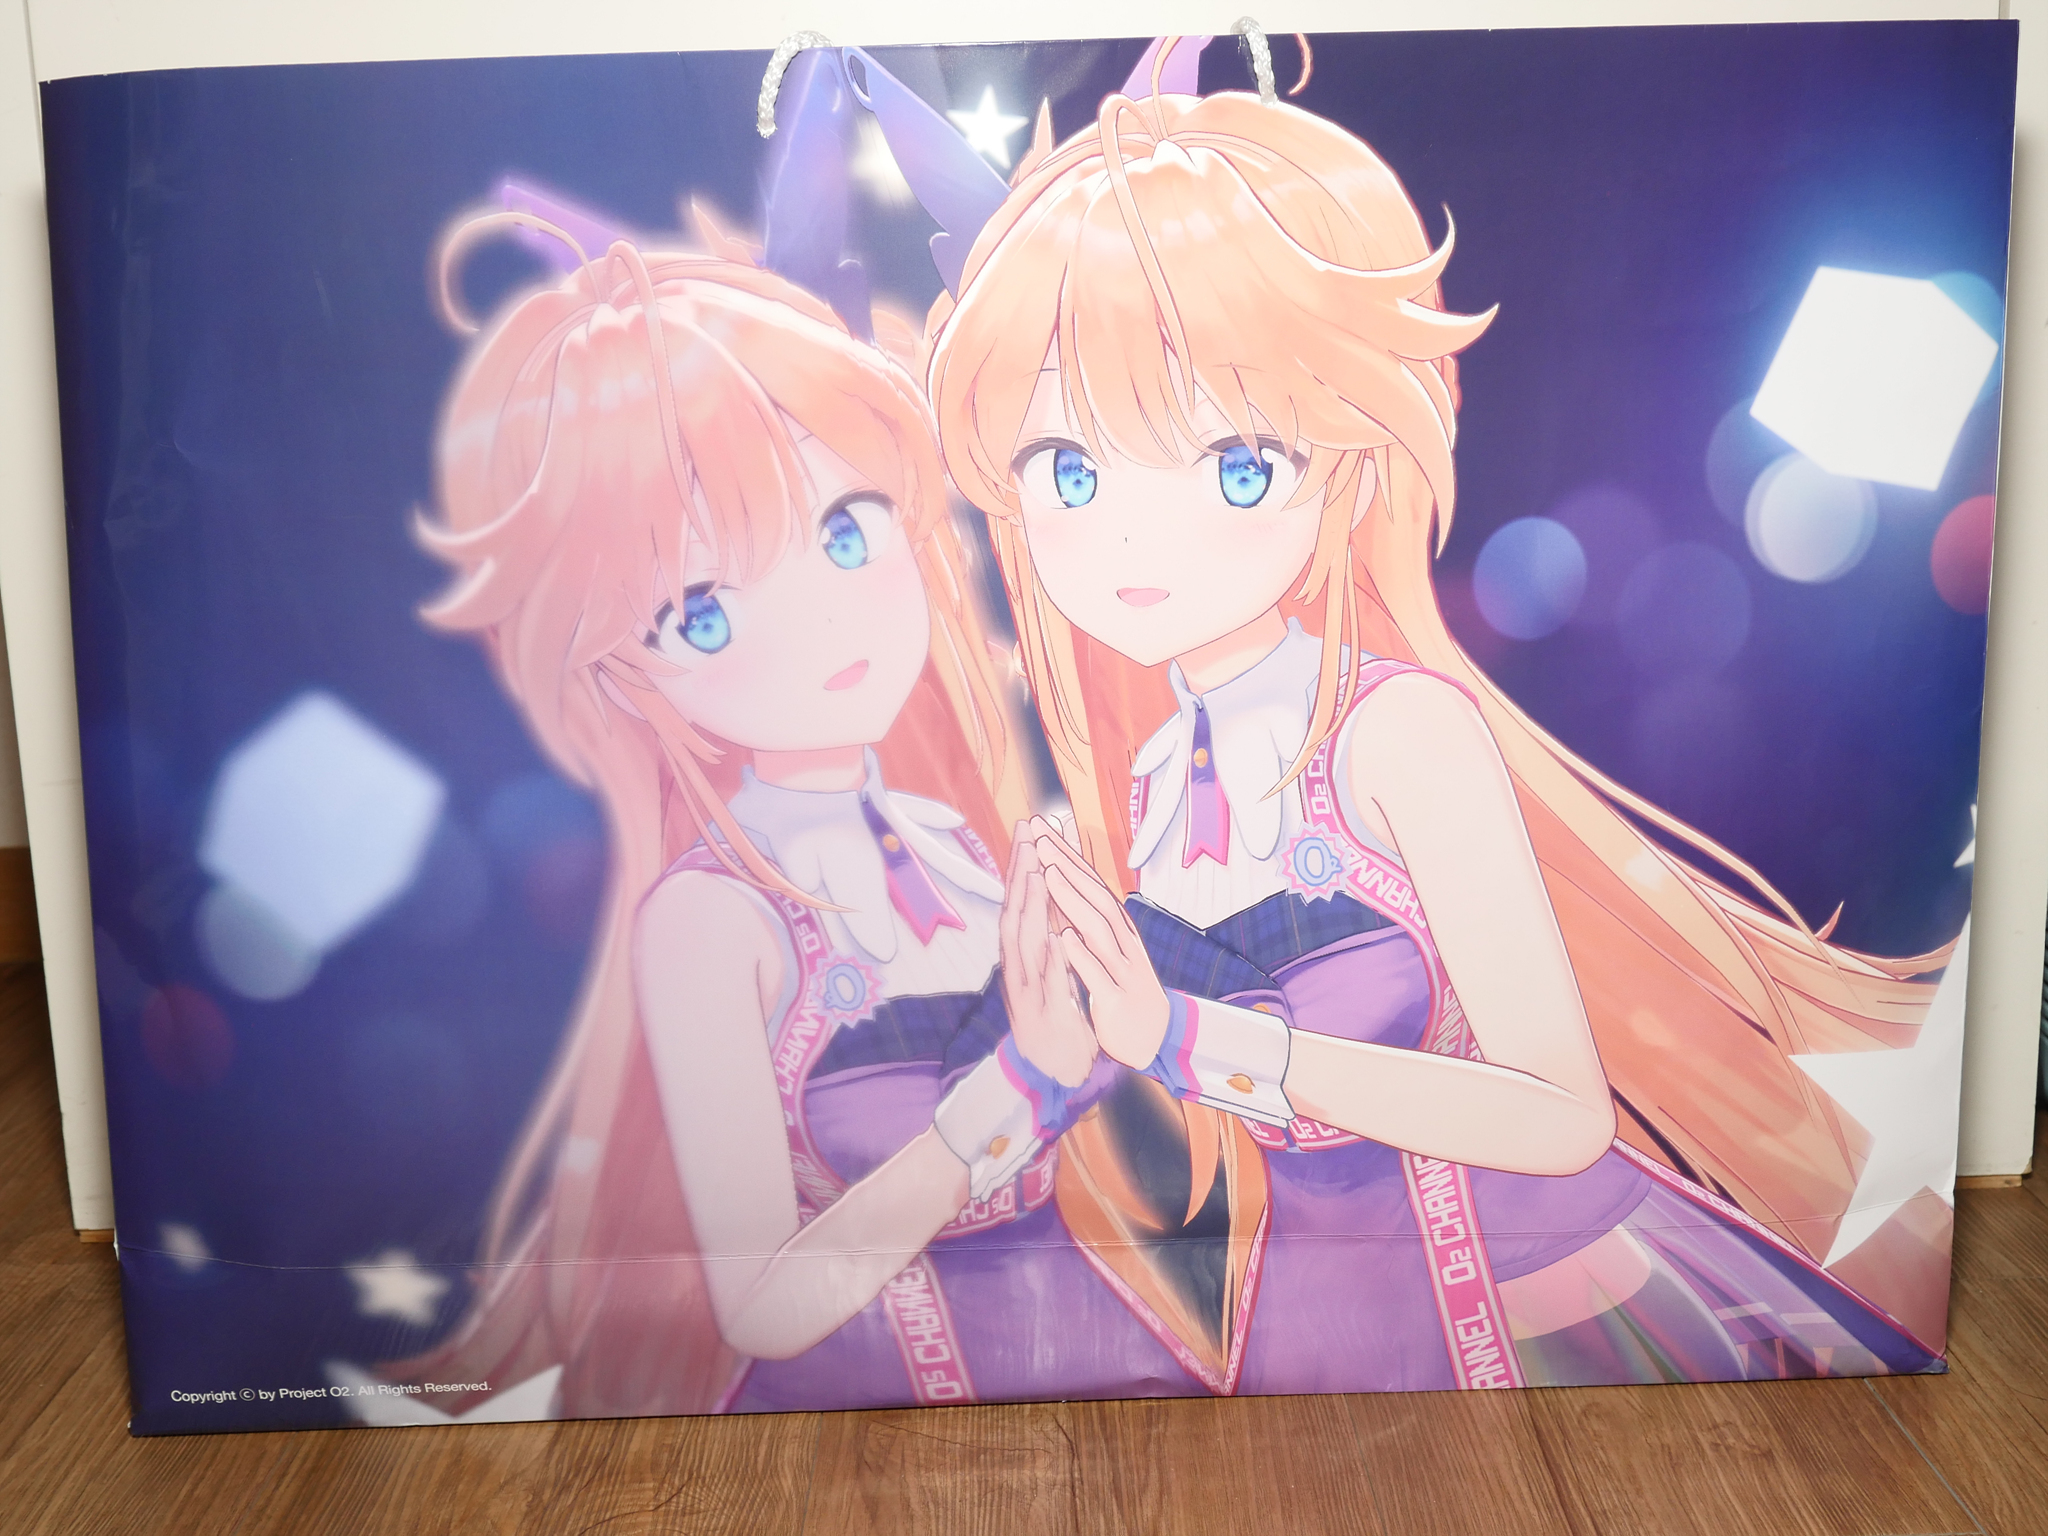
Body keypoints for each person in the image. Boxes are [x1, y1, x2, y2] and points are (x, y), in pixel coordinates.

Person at [896, 39, 1948, 1392]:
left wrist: (1197, 1041)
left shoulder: (1396, 734)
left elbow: (1559, 1115)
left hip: (1542, 1306)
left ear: (1346, 462)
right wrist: (1059, 1048)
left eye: (1233, 462)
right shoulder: (1154, 774)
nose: (1131, 536)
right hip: (1320, 1321)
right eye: (1069, 470)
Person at [385, 197, 1200, 1419]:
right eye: (703, 612)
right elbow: (758, 1302)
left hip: (1085, 1369)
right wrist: (1022, 1083)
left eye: (844, 531)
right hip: (849, 1430)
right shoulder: (707, 920)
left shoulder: (953, 844)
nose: (818, 616)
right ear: (625, 669)